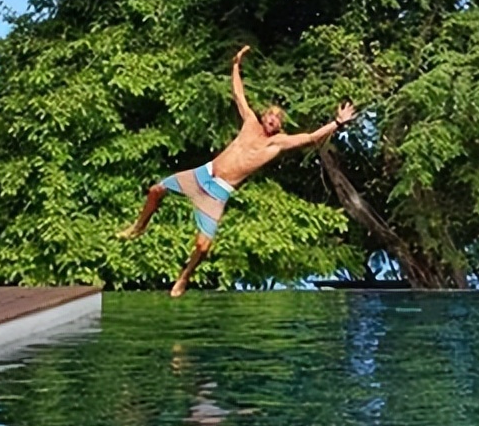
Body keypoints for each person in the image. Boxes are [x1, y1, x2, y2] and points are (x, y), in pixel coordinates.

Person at [118, 45, 356, 296]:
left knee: (202, 246)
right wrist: (235, 66)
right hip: (204, 173)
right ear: (264, 117)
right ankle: (138, 226)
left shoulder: (277, 143)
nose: (273, 119)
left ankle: (184, 277)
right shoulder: (250, 122)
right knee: (157, 189)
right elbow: (238, 94)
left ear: (279, 126)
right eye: (271, 115)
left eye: (278, 119)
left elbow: (310, 137)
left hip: (218, 192)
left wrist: (337, 123)